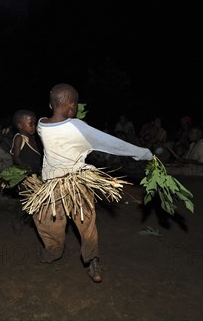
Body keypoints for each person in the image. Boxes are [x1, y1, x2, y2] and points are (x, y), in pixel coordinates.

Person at [21, 83, 153, 283]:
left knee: (49, 225)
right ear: (72, 107)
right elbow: (112, 144)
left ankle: (52, 253)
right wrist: (144, 153)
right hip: (77, 185)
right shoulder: (78, 127)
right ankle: (92, 261)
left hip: (51, 188)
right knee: (86, 225)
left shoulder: (41, 125)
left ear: (50, 105)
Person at [9, 109, 43, 233]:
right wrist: (25, 167)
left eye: (35, 123)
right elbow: (16, 156)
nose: (34, 126)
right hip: (25, 177)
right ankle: (17, 220)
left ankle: (28, 220)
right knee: (27, 201)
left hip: (35, 175)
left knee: (33, 200)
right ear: (20, 125)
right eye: (30, 124)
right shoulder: (19, 138)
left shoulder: (33, 138)